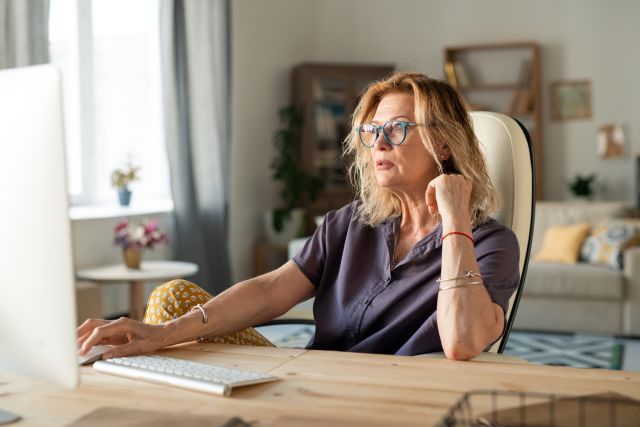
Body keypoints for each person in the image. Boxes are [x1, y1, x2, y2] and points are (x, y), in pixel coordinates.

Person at [78, 72, 519, 361]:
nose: (379, 143)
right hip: (309, 380)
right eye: (372, 131)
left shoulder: (489, 244)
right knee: (171, 297)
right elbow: (271, 291)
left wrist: (455, 218)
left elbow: (461, 342)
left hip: (390, 400)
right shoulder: (351, 223)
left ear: (443, 144)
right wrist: (162, 334)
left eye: (397, 129)